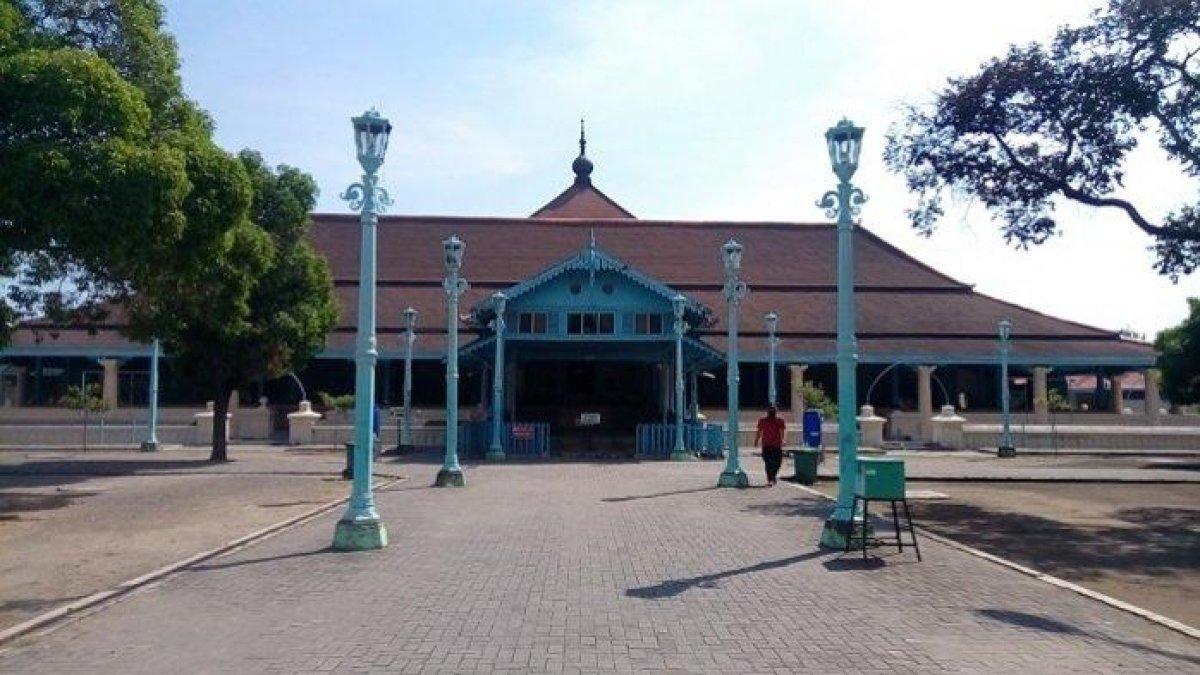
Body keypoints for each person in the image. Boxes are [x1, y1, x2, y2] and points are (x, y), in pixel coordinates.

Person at [754, 405, 787, 486]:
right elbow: (759, 431)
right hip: (766, 445)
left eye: (774, 410)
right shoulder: (763, 421)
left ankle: (773, 476)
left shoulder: (780, 420)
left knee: (778, 463)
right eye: (770, 410)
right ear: (767, 411)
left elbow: (783, 431)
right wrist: (756, 441)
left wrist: (783, 440)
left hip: (777, 445)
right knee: (768, 463)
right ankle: (770, 479)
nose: (772, 412)